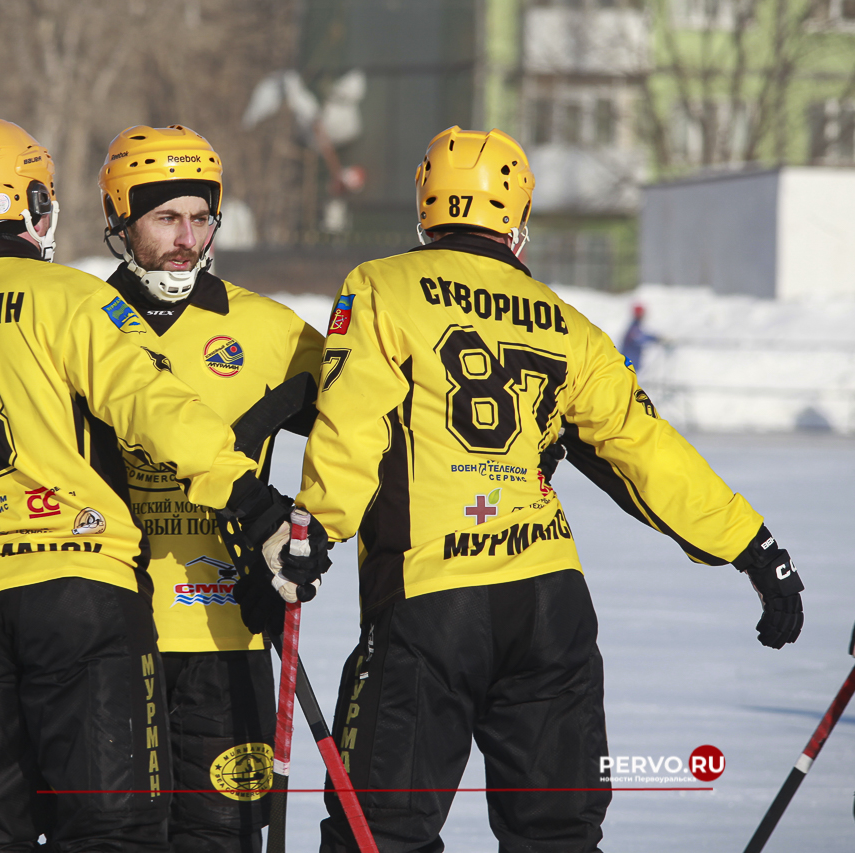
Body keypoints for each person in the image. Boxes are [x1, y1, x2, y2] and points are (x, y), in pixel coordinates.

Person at [260, 127, 804, 852]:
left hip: (431, 603)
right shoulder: (567, 323)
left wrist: (316, 528)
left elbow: (353, 422)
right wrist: (754, 545)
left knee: (379, 832)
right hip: (550, 606)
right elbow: (646, 450)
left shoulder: (382, 285)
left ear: (426, 206)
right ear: (516, 217)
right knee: (556, 835)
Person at [0, 118, 290, 852]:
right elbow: (152, 406)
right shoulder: (70, 296)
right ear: (35, 200)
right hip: (74, 591)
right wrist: (253, 500)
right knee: (110, 830)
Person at [97, 124, 325, 852]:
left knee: (222, 838)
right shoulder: (78, 323)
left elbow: (362, 432)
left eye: (201, 217)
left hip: (228, 632)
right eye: (165, 217)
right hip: (105, 635)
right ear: (122, 221)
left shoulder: (268, 329)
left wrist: (305, 537)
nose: (186, 237)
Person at [620, 302, 661, 370]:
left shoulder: (635, 326)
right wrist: (656, 339)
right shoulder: (634, 328)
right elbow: (640, 338)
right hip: (628, 365)